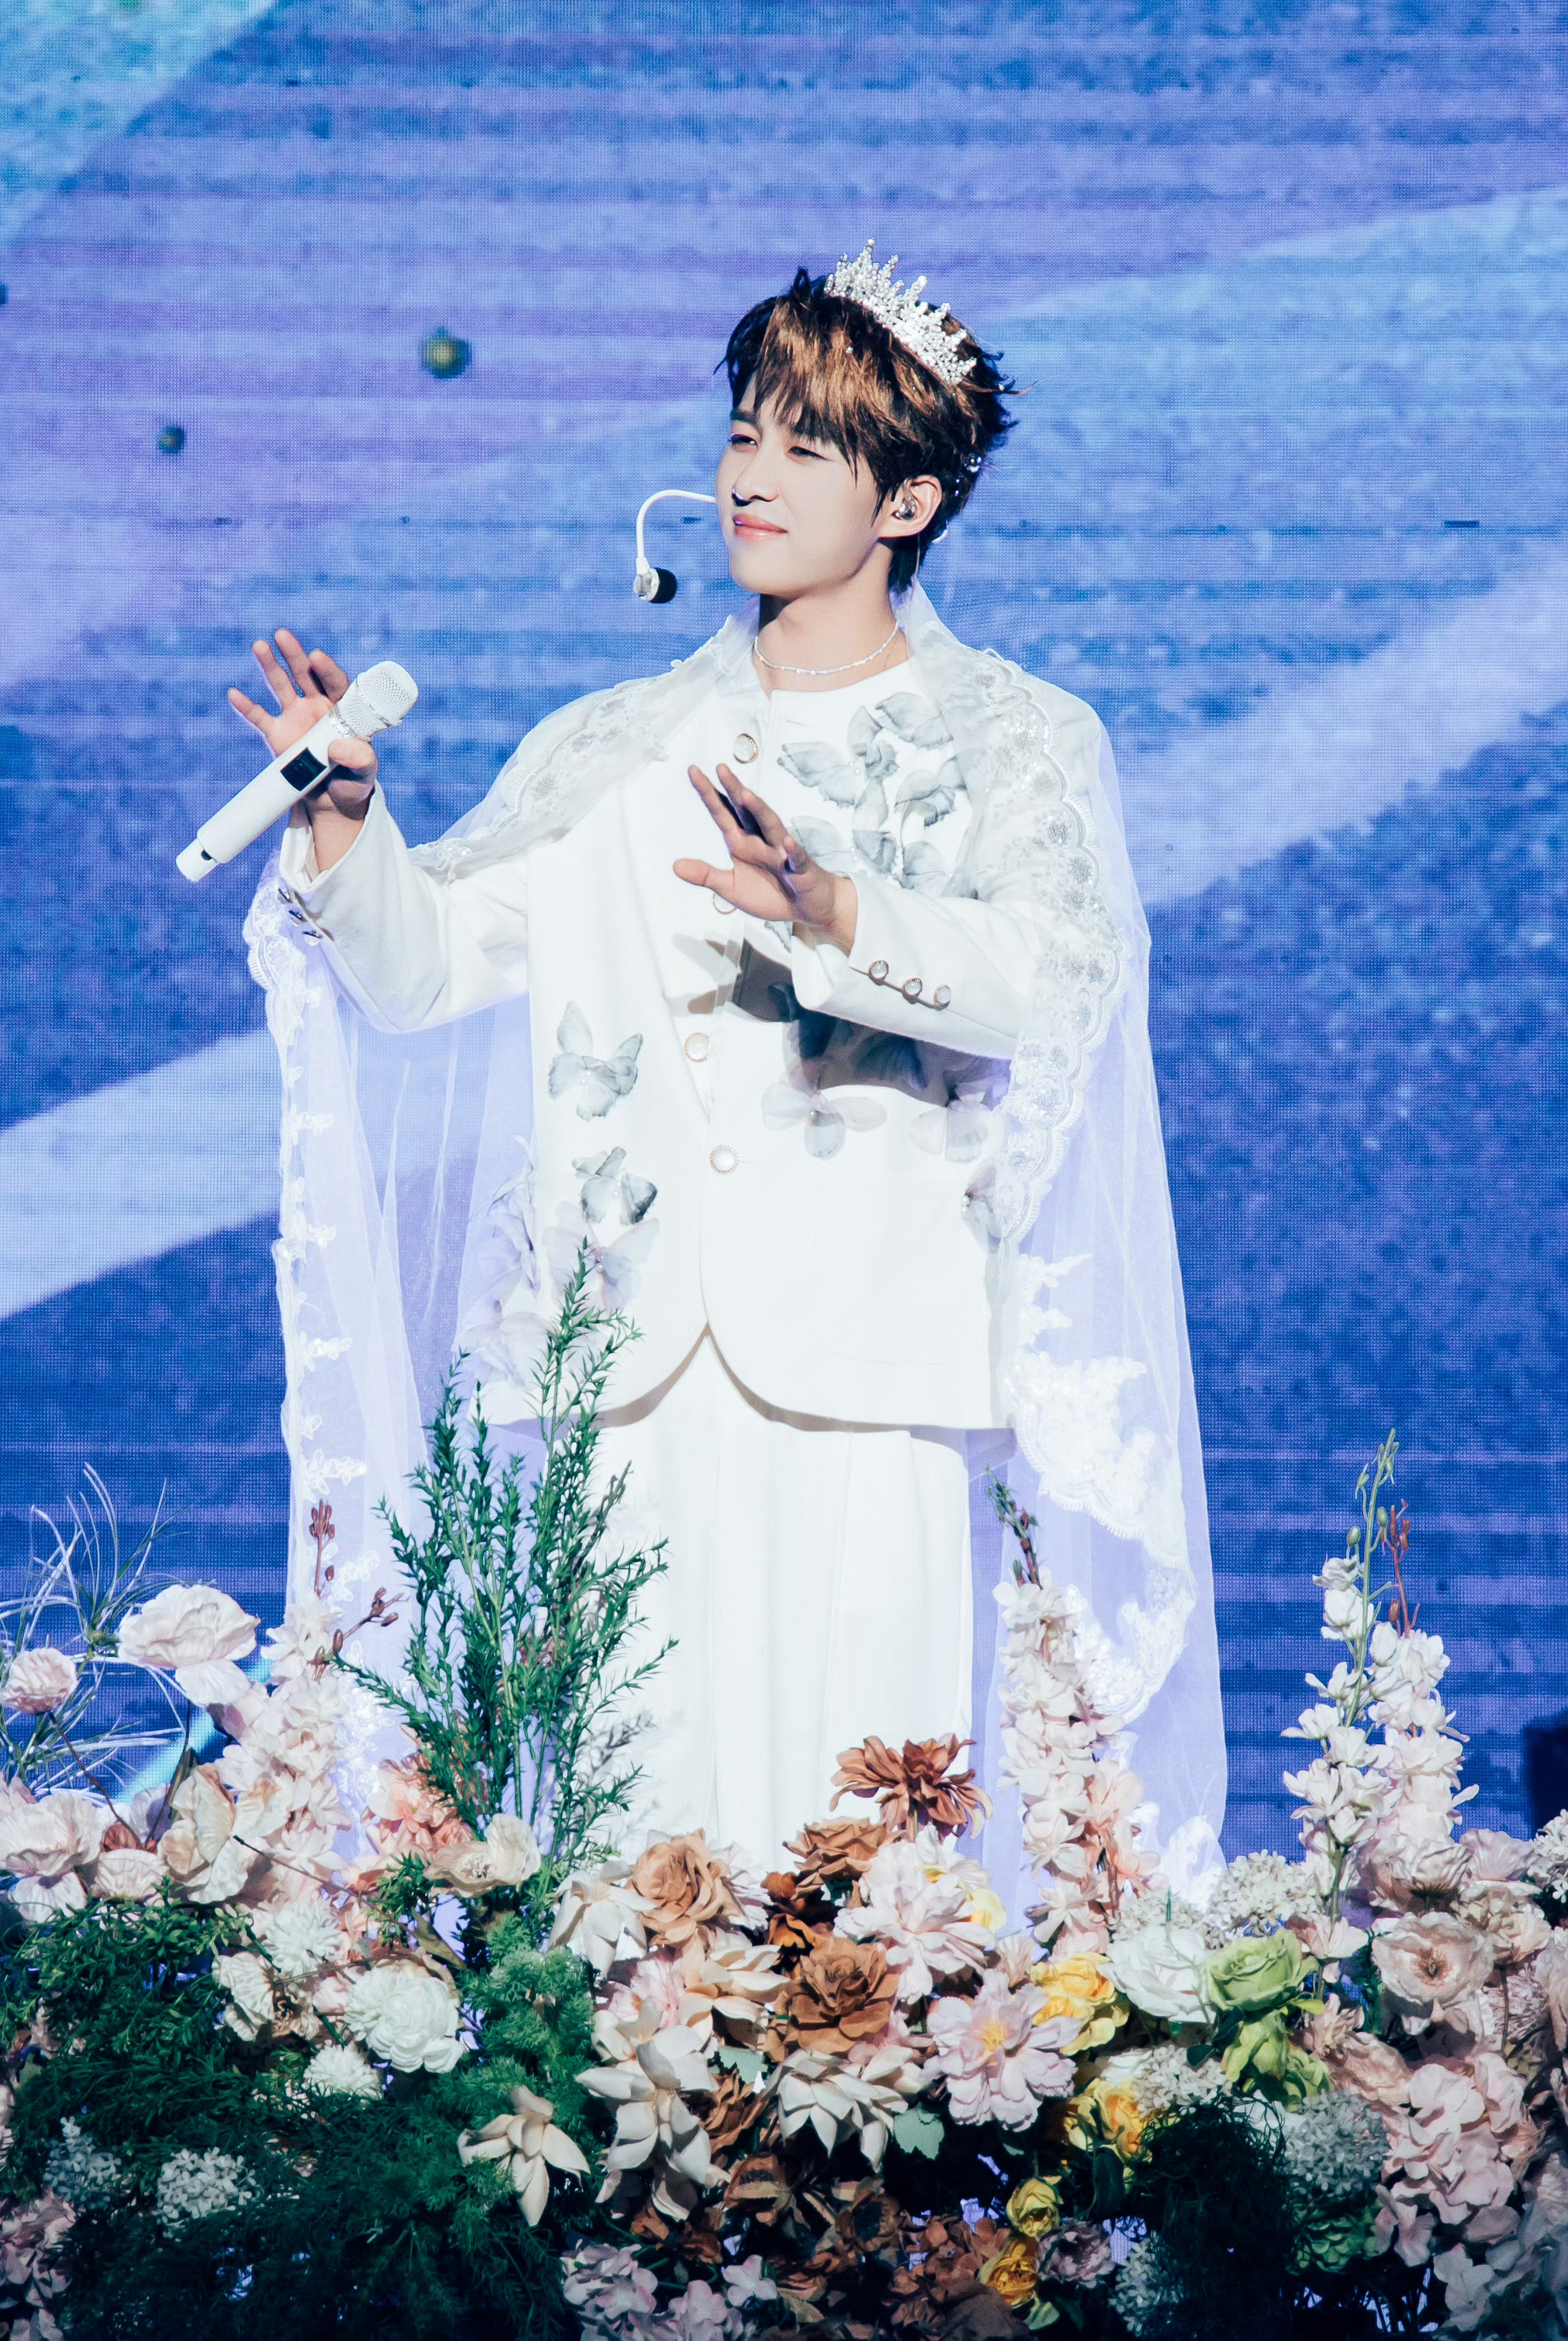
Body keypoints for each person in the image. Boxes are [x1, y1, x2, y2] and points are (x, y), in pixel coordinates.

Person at [233, 248, 1225, 1884]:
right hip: (623, 1367)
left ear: (906, 502)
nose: (751, 475)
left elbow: (1056, 984)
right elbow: (423, 973)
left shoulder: (1014, 738)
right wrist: (348, 826)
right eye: (744, 433)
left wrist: (835, 910)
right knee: (629, 1849)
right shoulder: (615, 744)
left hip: (872, 1364)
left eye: (805, 447)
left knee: (859, 1854)